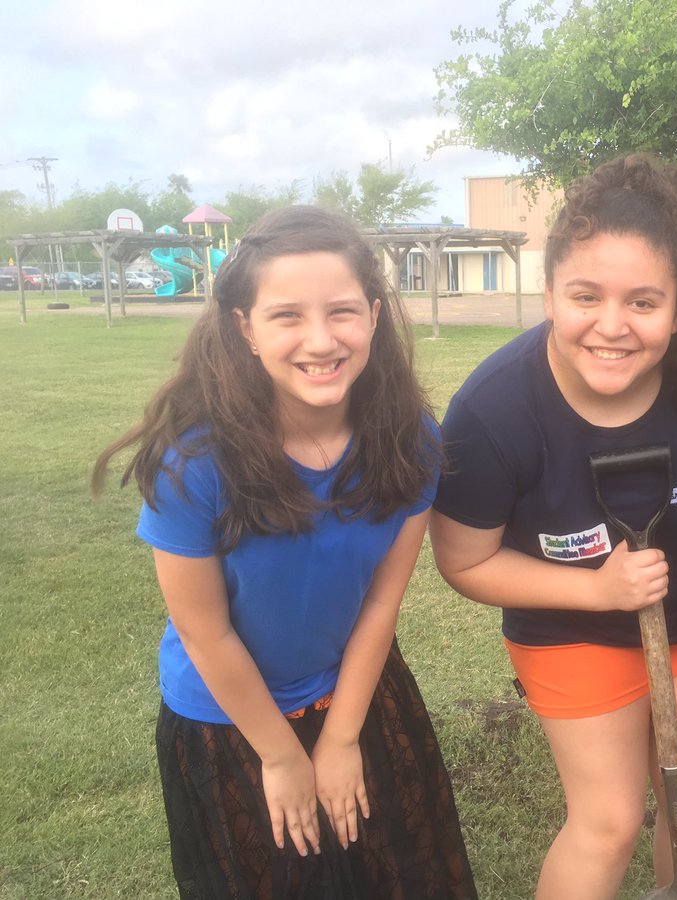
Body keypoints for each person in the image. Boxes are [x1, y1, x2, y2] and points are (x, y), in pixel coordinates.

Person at [92, 206, 476, 899]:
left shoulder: (409, 439)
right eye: (287, 316)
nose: (321, 340)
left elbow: (384, 598)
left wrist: (339, 739)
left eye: (342, 312)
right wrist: (282, 756)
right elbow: (204, 632)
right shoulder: (194, 463)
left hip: (358, 695)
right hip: (228, 720)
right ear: (245, 329)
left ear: (376, 315)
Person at [430, 154, 677, 898]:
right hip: (569, 627)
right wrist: (599, 590)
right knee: (611, 820)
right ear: (549, 293)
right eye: (585, 296)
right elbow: (464, 562)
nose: (612, 327)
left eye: (643, 302)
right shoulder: (493, 412)